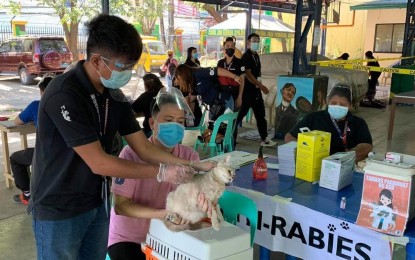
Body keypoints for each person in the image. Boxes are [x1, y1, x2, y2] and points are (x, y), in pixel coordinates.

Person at [29, 14, 214, 260]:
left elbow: (144, 148)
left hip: (97, 202)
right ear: (96, 61)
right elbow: (99, 163)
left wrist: (191, 164)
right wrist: (161, 172)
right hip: (59, 206)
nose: (127, 73)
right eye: (123, 66)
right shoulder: (65, 94)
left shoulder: (114, 96)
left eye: (131, 66)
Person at [108, 89, 212, 260]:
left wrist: (204, 202)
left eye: (180, 121)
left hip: (169, 236)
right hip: (130, 239)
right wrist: (164, 214)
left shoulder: (189, 157)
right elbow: (121, 206)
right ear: (152, 123)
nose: (176, 126)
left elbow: (193, 197)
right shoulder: (130, 155)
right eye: (169, 120)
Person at [285, 84, 373, 162]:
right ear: (328, 102)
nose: (337, 106)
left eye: (342, 104)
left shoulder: (358, 123)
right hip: (314, 163)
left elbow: (366, 146)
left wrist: (342, 159)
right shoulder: (314, 117)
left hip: (343, 165)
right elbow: (289, 137)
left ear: (350, 106)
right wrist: (306, 151)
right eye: (333, 103)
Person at [10, 75, 53, 205]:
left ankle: (28, 193)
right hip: (69, 152)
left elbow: (17, 121)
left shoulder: (36, 105)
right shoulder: (69, 105)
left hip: (45, 153)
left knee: (15, 159)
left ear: (42, 91)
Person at [235, 33, 276, 147]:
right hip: (247, 91)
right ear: (248, 42)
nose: (256, 43)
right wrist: (261, 86)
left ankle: (264, 139)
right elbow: (248, 74)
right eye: (254, 41)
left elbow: (257, 74)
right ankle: (230, 135)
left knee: (260, 115)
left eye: (258, 41)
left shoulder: (256, 55)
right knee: (239, 115)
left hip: (256, 91)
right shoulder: (246, 56)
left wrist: (260, 85)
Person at [173, 64, 241, 126]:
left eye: (177, 77)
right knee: (214, 129)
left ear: (183, 75)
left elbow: (218, 70)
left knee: (224, 129)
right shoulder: (192, 81)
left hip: (225, 102)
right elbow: (191, 98)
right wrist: (178, 103)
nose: (176, 80)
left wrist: (234, 77)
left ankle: (231, 139)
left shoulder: (199, 73)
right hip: (214, 107)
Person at [216, 36, 245, 112]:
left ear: (235, 48)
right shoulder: (220, 63)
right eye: (227, 46)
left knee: (234, 119)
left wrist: (240, 97)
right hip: (222, 95)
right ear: (224, 48)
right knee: (223, 120)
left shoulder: (240, 62)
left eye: (232, 46)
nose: (230, 48)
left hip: (235, 94)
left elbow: (242, 81)